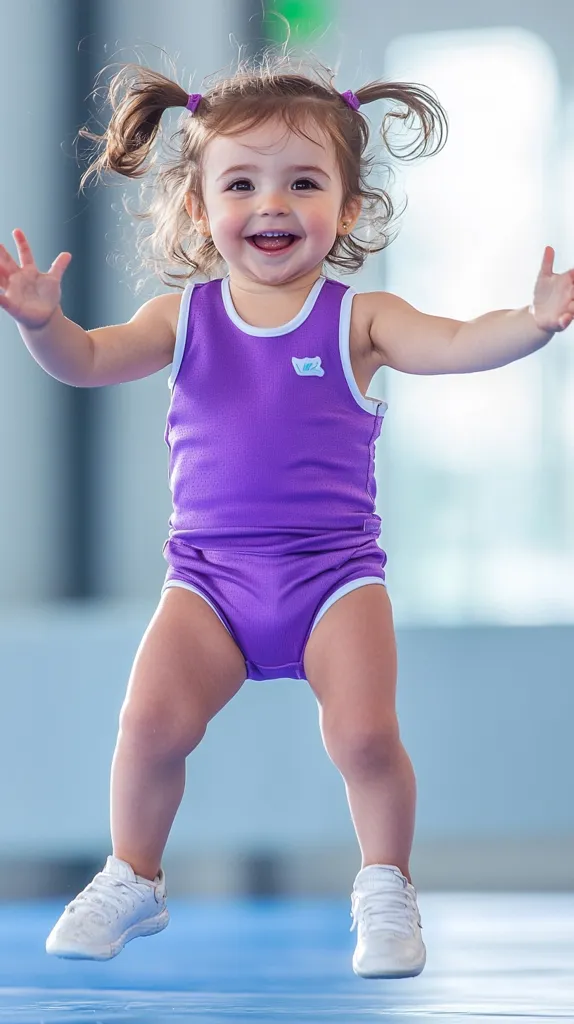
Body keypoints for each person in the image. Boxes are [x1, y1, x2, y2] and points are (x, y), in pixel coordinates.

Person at [1, 51, 571, 980]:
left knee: (363, 736)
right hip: (210, 581)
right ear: (200, 208)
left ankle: (386, 887)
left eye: (303, 183)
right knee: (147, 725)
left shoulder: (360, 318)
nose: (272, 204)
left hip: (334, 576)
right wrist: (38, 324)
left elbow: (458, 343)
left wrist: (532, 321)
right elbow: (89, 360)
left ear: (345, 210)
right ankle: (132, 876)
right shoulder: (180, 318)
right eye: (242, 183)